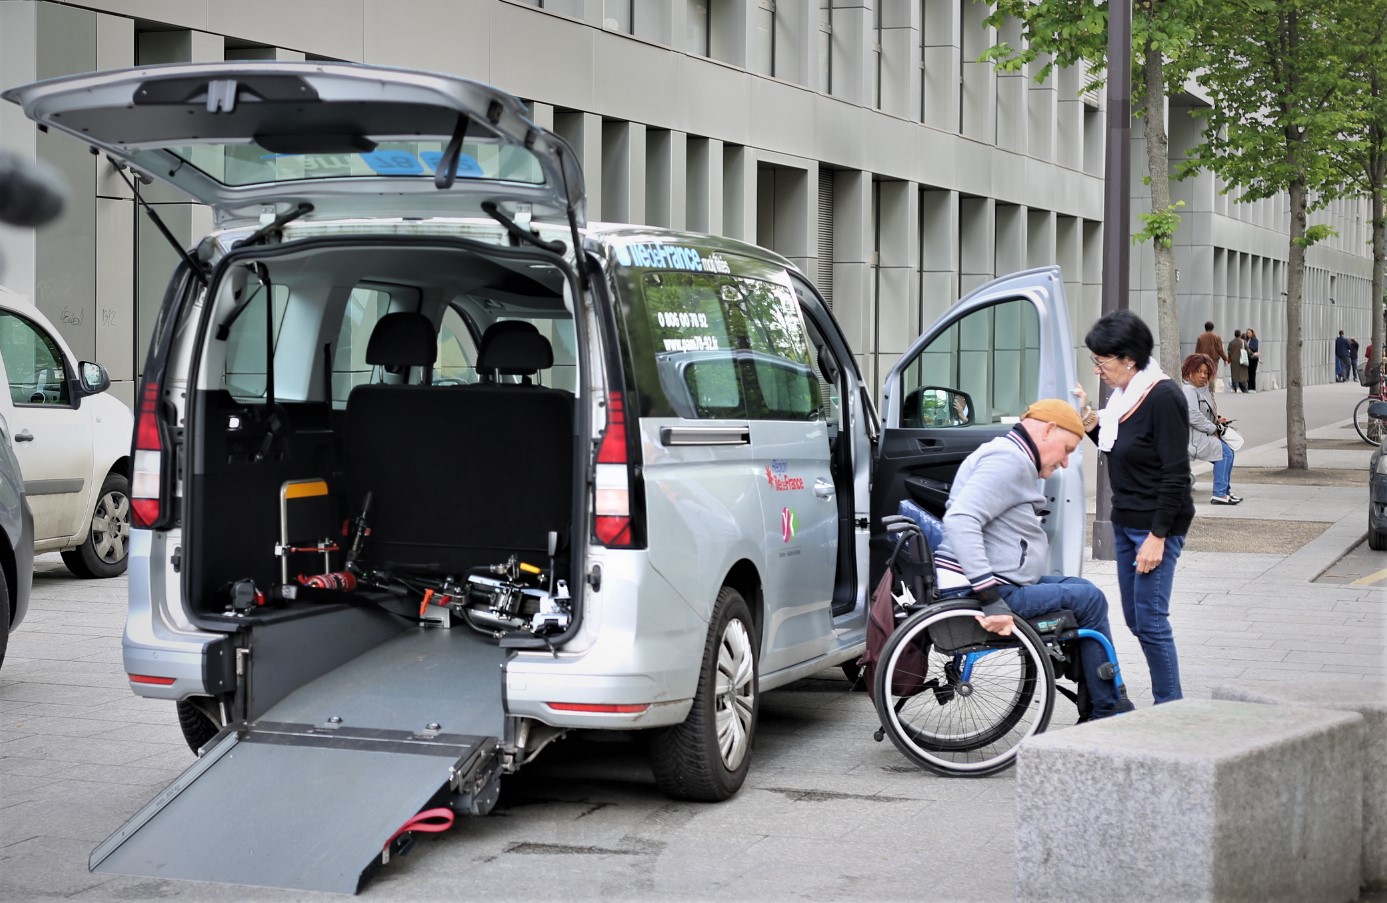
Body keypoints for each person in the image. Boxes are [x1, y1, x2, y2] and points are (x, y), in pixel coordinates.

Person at [931, 399, 1134, 719]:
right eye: (1067, 449)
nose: (1066, 462)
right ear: (1049, 429)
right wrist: (990, 598)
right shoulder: (1007, 460)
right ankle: (1106, 710)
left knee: (1081, 588)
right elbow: (961, 520)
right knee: (1090, 599)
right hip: (987, 589)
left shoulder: (1008, 454)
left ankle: (1097, 701)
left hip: (998, 580)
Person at [1073, 310, 1194, 705]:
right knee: (1136, 619)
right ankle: (1167, 704)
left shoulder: (1161, 396)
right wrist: (1091, 421)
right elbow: (1120, 451)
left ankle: (1170, 707)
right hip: (1128, 522)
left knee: (1152, 622)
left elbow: (1177, 474)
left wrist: (1158, 537)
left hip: (1155, 527)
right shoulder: (1124, 399)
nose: (1098, 370)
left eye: (1101, 361)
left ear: (1128, 358)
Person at [1182, 353, 1241, 505]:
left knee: (1227, 453)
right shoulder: (1189, 389)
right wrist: (1212, 427)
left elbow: (1202, 412)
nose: (1203, 376)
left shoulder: (1200, 388)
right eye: (1199, 371)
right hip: (1194, 438)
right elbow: (1192, 414)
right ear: (1190, 370)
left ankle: (1225, 491)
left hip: (1201, 434)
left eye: (1206, 372)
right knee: (1225, 453)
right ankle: (1220, 493)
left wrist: (1217, 419)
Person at [1194, 321, 1228, 387]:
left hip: (1203, 359)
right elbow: (1220, 350)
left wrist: (1196, 360)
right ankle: (1211, 391)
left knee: (1203, 374)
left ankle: (1203, 390)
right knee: (1212, 375)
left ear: (1205, 328)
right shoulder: (1217, 337)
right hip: (1214, 360)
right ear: (1213, 328)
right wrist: (1225, 359)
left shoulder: (1200, 337)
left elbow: (1197, 351)